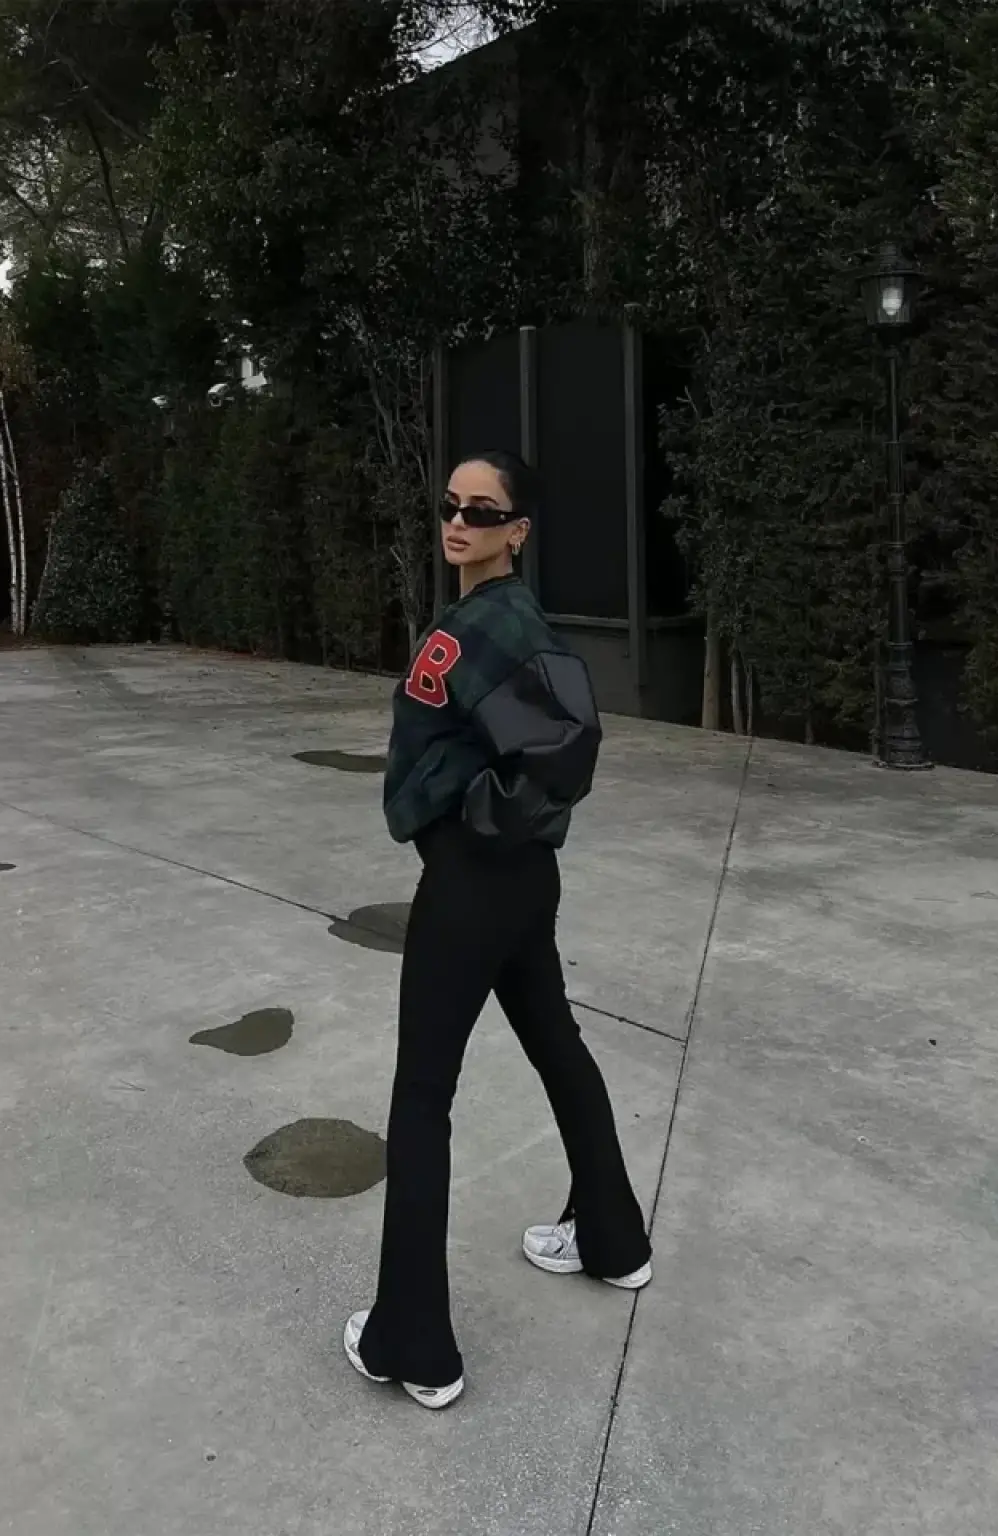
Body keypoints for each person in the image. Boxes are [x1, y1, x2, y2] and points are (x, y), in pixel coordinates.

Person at [344, 450, 652, 1409]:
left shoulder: (496, 625)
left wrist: (474, 819)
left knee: (421, 1098)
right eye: (450, 505)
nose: (459, 522)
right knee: (557, 1044)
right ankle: (614, 1241)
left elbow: (566, 750)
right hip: (522, 887)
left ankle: (413, 1344)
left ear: (518, 530)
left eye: (483, 511)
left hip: (475, 885)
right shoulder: (494, 620)